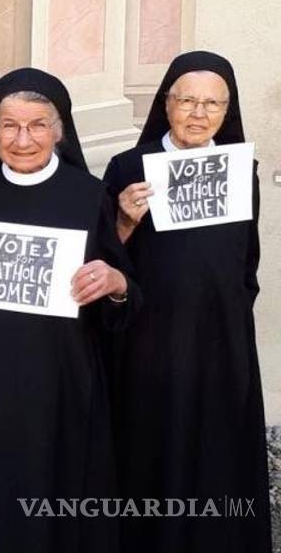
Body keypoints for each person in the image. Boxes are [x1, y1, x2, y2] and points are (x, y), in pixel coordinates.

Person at [0, 68, 139, 553]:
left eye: (36, 125)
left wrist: (116, 285)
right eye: (9, 126)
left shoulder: (87, 197)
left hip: (60, 385)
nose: (22, 139)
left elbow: (123, 294)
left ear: (59, 132)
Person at [104, 51, 269, 551]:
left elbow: (247, 260)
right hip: (150, 339)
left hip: (220, 339)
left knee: (214, 445)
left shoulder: (242, 170)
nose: (199, 114)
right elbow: (105, 258)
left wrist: (232, 315)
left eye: (212, 104)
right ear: (167, 104)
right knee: (151, 442)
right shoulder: (129, 167)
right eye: (188, 101)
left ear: (227, 111)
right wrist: (125, 221)